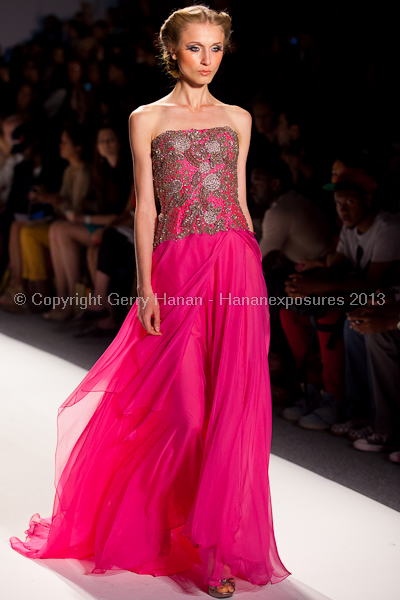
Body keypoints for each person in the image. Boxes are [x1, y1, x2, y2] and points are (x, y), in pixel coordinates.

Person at [9, 6, 290, 599]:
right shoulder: (146, 119)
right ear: (173, 52)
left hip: (235, 266)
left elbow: (238, 201)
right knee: (183, 413)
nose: (207, 59)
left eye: (216, 48)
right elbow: (145, 207)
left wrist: (253, 272)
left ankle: (218, 552)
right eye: (195, 48)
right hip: (178, 268)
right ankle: (166, 528)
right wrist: (146, 284)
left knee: (232, 412)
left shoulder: (238, 118)